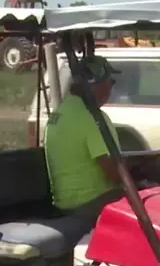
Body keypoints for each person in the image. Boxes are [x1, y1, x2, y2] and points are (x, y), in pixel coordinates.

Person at [44, 56, 125, 214]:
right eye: (111, 82)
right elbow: (113, 172)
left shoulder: (61, 111)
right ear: (97, 84)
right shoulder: (92, 117)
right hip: (90, 203)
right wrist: (140, 174)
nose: (111, 88)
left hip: (64, 203)